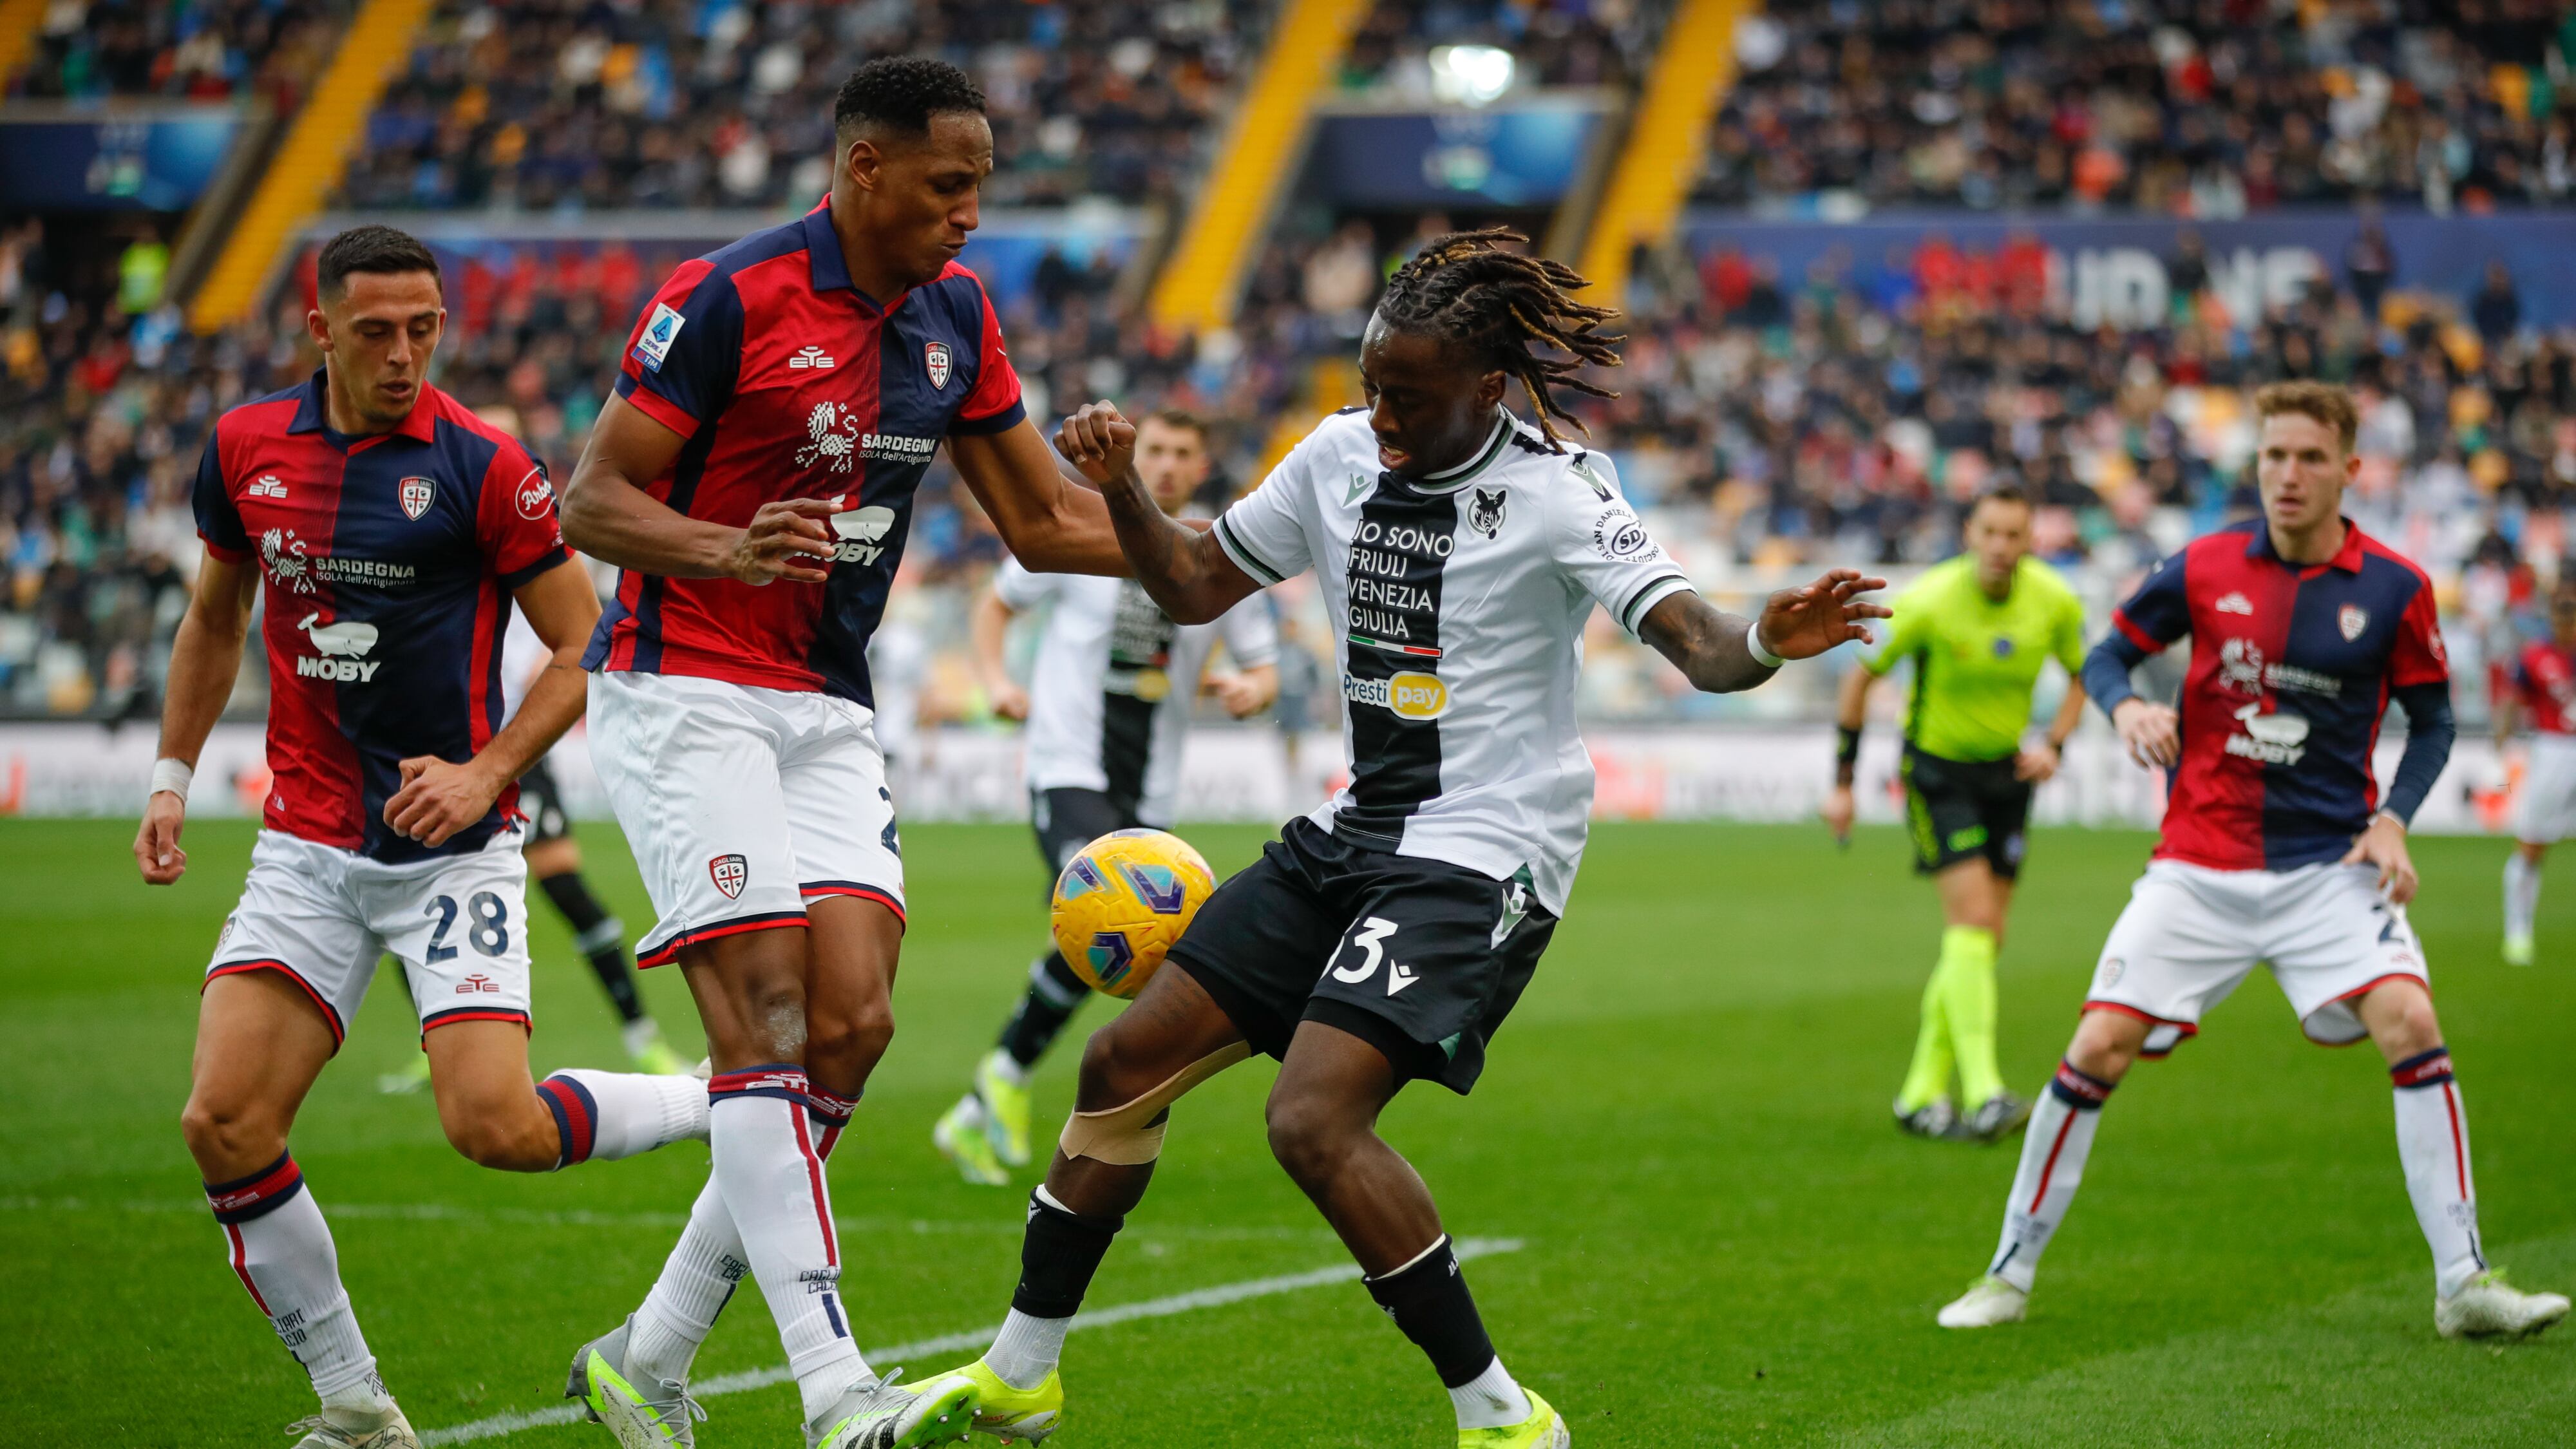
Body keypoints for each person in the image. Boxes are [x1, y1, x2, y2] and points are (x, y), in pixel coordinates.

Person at [926, 229, 1890, 1448]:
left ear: (1488, 389)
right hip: (1353, 830)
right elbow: (1188, 587)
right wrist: (1123, 484)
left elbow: (1696, 642)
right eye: (1372, 384)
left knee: (1310, 1121)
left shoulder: (1560, 488)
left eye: (1409, 397)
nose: (1379, 415)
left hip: (1488, 852)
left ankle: (1502, 1418)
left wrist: (1762, 640)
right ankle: (1021, 1378)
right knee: (1117, 1070)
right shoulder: (1335, 454)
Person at [553, 58, 1130, 1449]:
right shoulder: (728, 295)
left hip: (824, 700)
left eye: (982, 184)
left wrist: (1239, 548)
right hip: (683, 681)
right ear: (864, 168)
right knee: (758, 1022)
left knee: (853, 1027)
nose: (973, 213)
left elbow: (1047, 526)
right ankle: (833, 1387)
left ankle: (648, 1355)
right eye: (950, 183)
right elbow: (590, 498)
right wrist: (720, 547)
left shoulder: (955, 316)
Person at [135, 225, 712, 1449]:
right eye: (377, 332)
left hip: (453, 855)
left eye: (424, 331)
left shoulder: (483, 466)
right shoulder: (245, 448)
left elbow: (583, 641)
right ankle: (355, 1404)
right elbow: (213, 617)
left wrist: (488, 770)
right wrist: (171, 781)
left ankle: (721, 1103)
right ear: (321, 330)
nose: (404, 356)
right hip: (304, 848)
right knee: (222, 1124)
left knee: (491, 1129)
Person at [1937, 381, 2569, 1341]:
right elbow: (2107, 656)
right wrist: (2128, 707)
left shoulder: (2394, 588)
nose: (2288, 474)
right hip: (2199, 863)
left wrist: (2395, 818)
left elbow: (2434, 720)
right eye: (2274, 455)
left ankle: (2464, 1282)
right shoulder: (2203, 564)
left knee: (2410, 1018)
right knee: (2097, 1046)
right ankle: (2007, 1271)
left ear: (2351, 471)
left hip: (2328, 866)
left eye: (2311, 457)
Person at [934, 409, 1278, 1185]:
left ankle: (994, 1086)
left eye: (1181, 453)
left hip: (1150, 792)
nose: (1163, 463)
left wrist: (1250, 690)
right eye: (1153, 448)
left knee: (1141, 946)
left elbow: (1264, 669)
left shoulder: (1218, 554)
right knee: (1113, 920)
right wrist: (995, 681)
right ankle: (1031, 1091)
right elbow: (996, 603)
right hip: (1069, 768)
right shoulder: (1080, 533)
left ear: (1197, 470)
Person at [1823, 486, 2088, 1143]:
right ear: (1970, 534)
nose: (2001, 547)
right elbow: (1859, 677)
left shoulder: (2054, 601)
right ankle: (1984, 1092)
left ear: (2031, 540)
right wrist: (1844, 782)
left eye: (2014, 535)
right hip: (1937, 774)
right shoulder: (1930, 600)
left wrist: (2053, 744)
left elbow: (2086, 673)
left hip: (2007, 775)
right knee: (1972, 923)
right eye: (1990, 532)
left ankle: (1918, 1096)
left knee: (1982, 939)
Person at [379, 604, 689, 1094]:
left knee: (566, 887)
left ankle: (643, 1038)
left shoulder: (529, 555)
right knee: (416, 893)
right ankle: (435, 1048)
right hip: (444, 747)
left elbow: (571, 633)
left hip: (514, 747)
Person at [2497, 585, 2576, 965]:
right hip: (2554, 749)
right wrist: (2503, 736)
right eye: (2562, 616)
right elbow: (2514, 696)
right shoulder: (2536, 656)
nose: (2567, 623)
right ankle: (2518, 931)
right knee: (2532, 844)